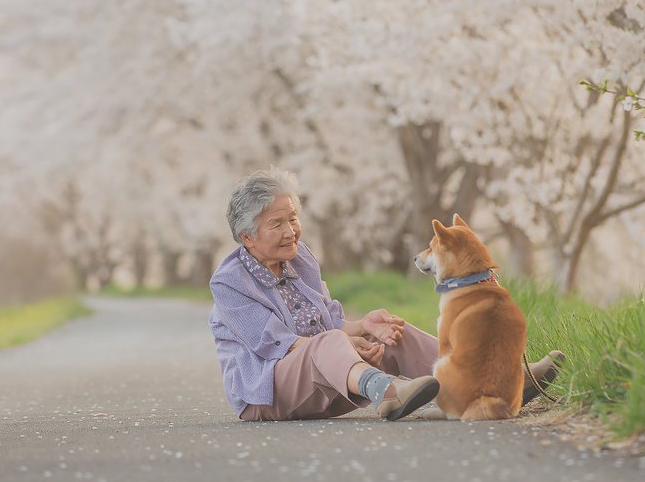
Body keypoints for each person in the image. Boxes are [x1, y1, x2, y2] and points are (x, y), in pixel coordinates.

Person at [209, 167, 562, 423]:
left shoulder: (299, 258)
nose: (292, 231)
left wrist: (365, 326)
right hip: (268, 396)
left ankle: (499, 381)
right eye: (277, 224)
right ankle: (388, 392)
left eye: (294, 218)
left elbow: (328, 323)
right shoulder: (229, 282)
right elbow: (279, 344)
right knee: (331, 341)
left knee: (393, 332)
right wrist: (344, 343)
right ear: (247, 238)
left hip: (330, 385)